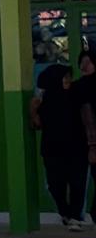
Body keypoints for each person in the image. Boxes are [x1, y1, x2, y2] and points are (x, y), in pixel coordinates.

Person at [41, 61, 90, 228]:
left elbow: (87, 119)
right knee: (55, 184)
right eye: (65, 77)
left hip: (77, 147)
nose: (68, 80)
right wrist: (33, 109)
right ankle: (65, 212)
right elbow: (37, 124)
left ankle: (76, 217)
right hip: (52, 149)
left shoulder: (77, 96)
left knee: (78, 183)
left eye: (69, 76)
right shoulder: (45, 101)